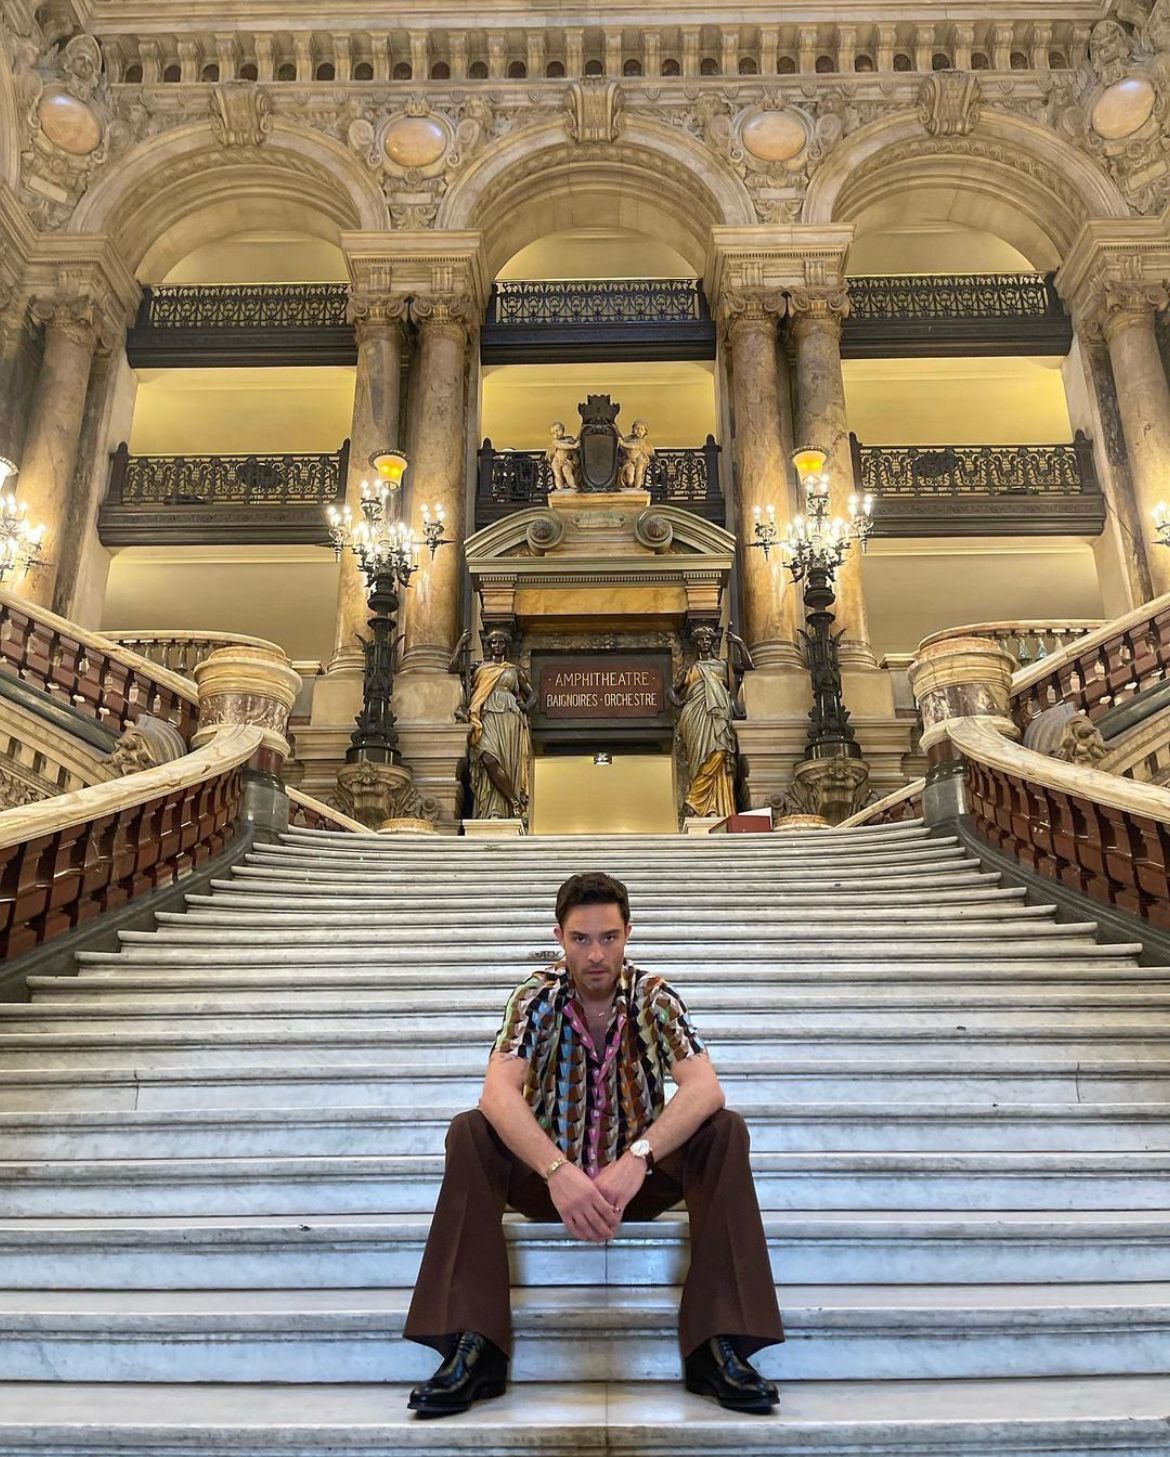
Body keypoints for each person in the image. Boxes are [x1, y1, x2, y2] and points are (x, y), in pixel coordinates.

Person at [403, 871, 784, 1418]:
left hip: (638, 1184)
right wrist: (558, 1171)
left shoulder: (654, 997)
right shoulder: (535, 997)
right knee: (470, 1131)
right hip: (550, 1183)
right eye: (581, 939)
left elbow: (705, 1087)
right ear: (559, 937)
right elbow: (497, 1092)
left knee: (725, 1129)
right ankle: (475, 1346)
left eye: (609, 937)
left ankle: (716, 1344)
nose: (596, 954)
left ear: (628, 933)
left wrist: (638, 1158)